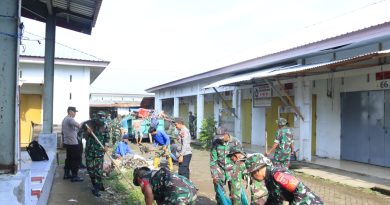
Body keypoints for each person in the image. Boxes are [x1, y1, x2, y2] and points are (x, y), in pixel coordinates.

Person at [245, 153, 323, 204]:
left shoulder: (278, 175)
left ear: (257, 170)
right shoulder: (268, 179)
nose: (252, 177)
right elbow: (274, 199)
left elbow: (300, 190)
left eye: (252, 174)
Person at [210, 127, 242, 204]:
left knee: (235, 196)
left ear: (226, 134)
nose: (220, 139)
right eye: (218, 137)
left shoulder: (236, 142)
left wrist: (238, 174)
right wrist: (214, 175)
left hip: (233, 171)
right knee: (220, 195)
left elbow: (241, 159)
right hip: (220, 171)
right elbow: (213, 161)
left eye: (221, 137)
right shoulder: (215, 143)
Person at [133, 166, 198, 205]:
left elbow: (148, 193)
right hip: (192, 189)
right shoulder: (156, 175)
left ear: (138, 179)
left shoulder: (144, 180)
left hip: (178, 194)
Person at [83, 110, 110, 197]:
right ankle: (97, 184)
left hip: (99, 151)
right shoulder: (89, 125)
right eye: (100, 119)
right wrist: (87, 132)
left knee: (98, 170)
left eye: (103, 119)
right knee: (90, 170)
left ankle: (97, 187)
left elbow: (107, 136)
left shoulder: (105, 125)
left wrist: (106, 145)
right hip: (90, 151)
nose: (102, 121)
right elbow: (83, 136)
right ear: (96, 117)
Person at [61, 106, 83, 182]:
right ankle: (74, 176)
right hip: (73, 143)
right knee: (75, 159)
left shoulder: (65, 119)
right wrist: (82, 125)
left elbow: (73, 129)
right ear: (70, 111)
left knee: (69, 159)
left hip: (68, 143)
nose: (75, 114)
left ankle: (66, 174)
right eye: (74, 112)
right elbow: (78, 125)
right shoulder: (70, 119)